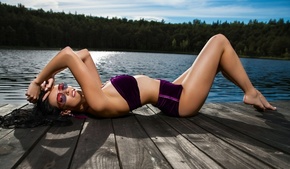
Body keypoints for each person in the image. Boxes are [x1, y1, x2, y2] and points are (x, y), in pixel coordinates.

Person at [25, 34, 276, 119]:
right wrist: (38, 81)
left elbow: (84, 55)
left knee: (218, 60)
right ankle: (250, 92)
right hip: (180, 102)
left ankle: (251, 93)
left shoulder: (94, 94)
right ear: (66, 112)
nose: (66, 91)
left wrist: (49, 82)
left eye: (62, 87)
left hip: (172, 89)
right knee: (218, 41)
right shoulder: (96, 102)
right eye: (61, 99)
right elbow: (68, 55)